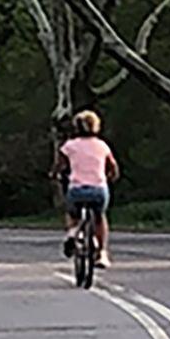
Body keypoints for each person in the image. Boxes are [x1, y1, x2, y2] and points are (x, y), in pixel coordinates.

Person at [55, 111, 119, 268]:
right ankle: (102, 254)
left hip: (77, 189)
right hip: (98, 189)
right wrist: (110, 176)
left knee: (72, 213)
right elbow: (113, 167)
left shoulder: (69, 146)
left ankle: (72, 231)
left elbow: (60, 165)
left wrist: (54, 174)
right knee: (99, 217)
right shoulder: (102, 145)